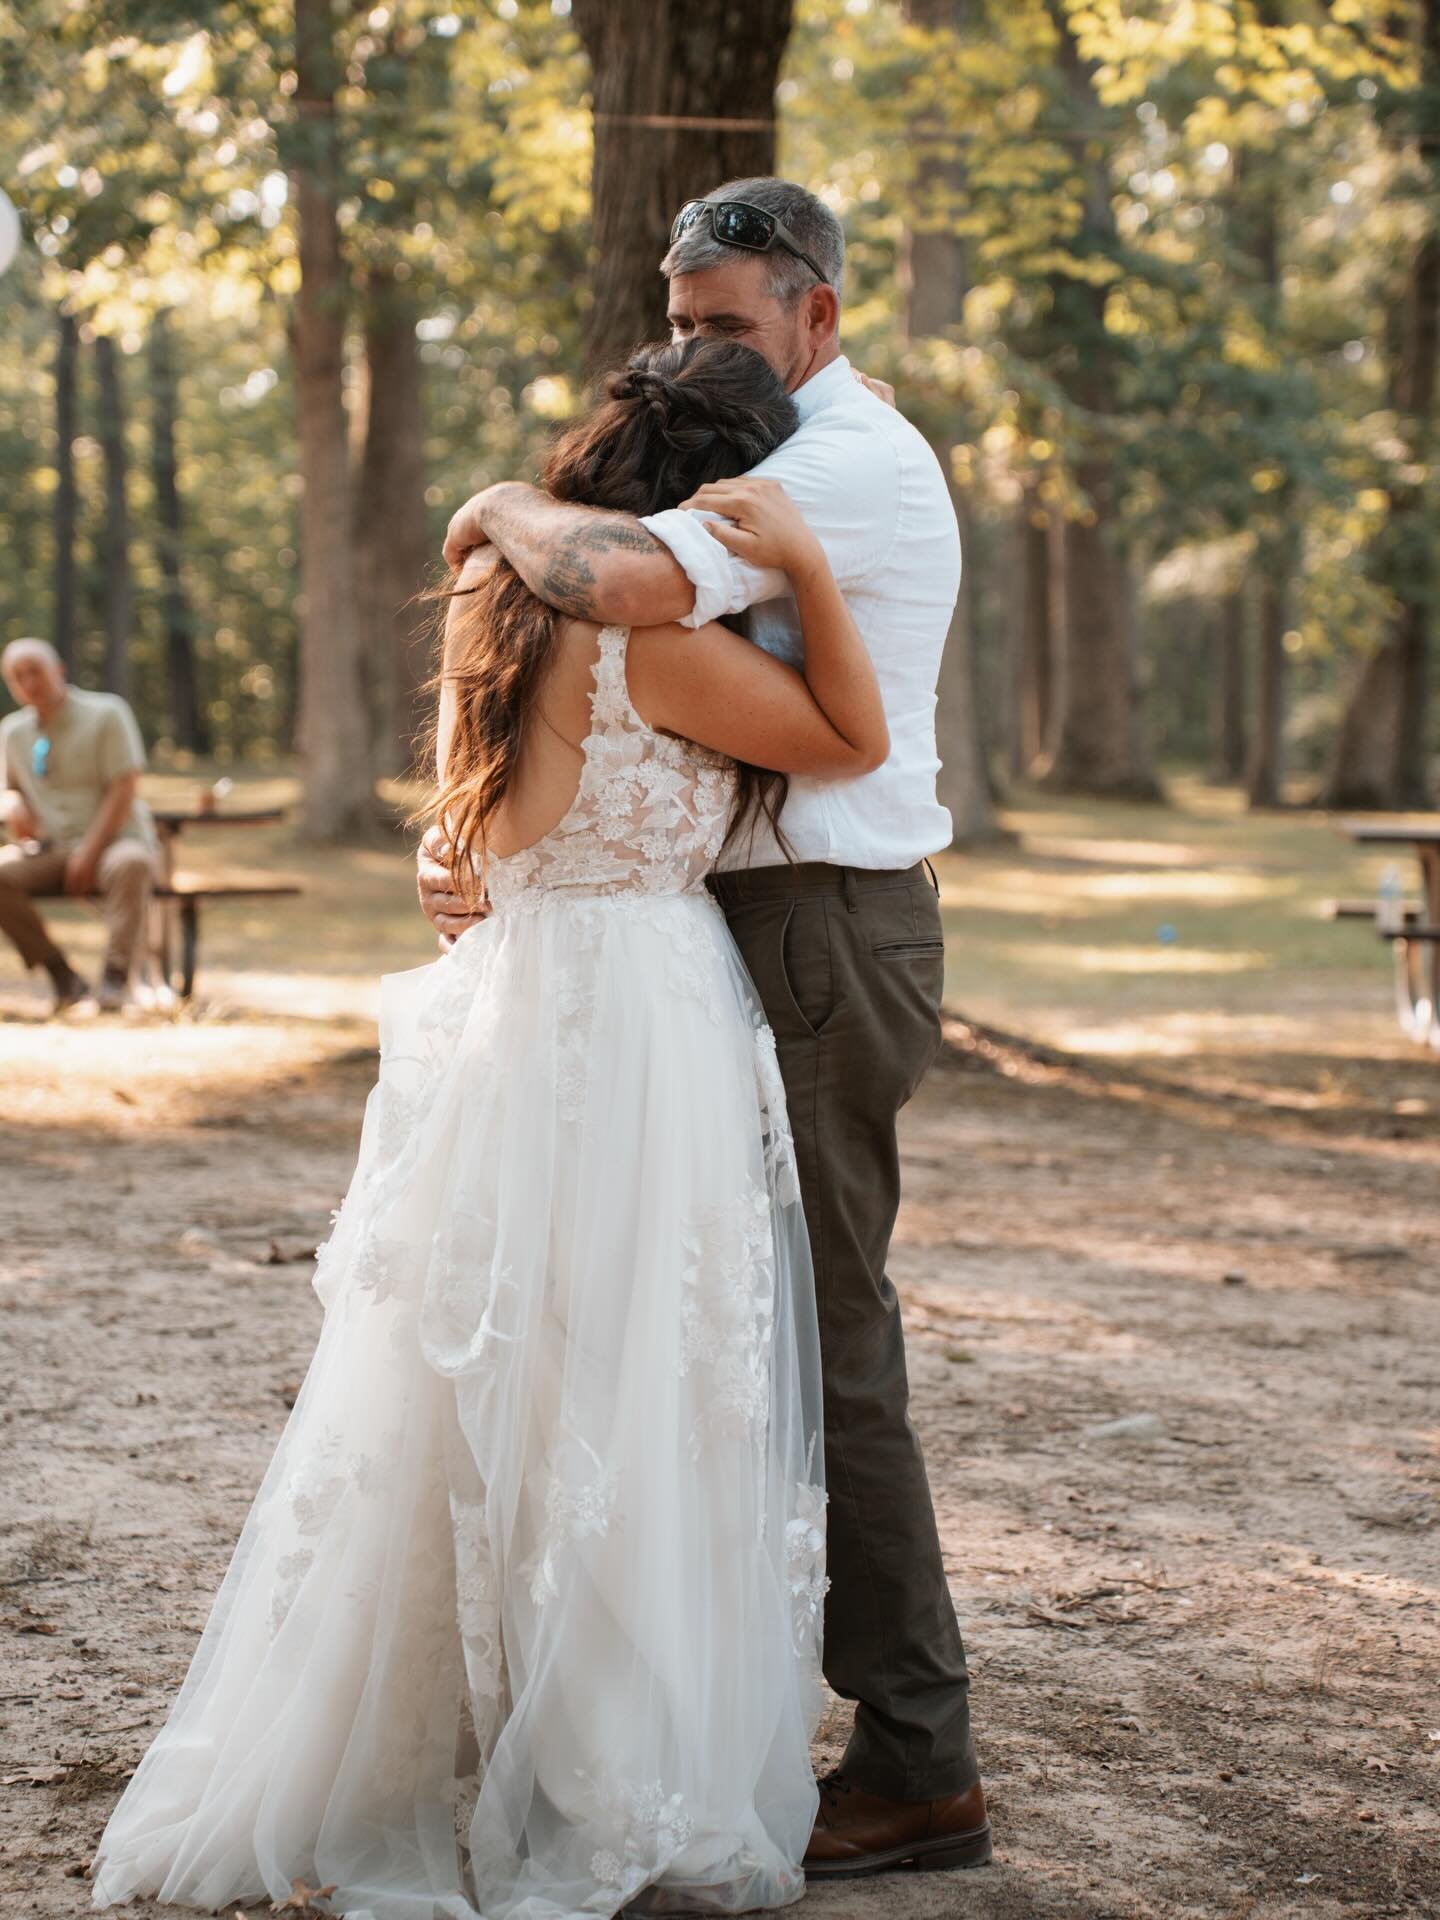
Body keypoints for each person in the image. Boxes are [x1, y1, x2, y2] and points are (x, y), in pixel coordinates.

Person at [90, 337, 895, 1920]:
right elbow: (851, 739)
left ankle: (441, 1747)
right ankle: (595, 1761)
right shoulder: (653, 641)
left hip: (515, 995)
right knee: (631, 1392)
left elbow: (469, 804)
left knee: (487, 1385)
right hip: (641, 1017)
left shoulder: (491, 599)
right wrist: (805, 565)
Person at [421, 176, 989, 1880]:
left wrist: (493, 497)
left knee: (824, 1341)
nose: (697, 357)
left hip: (817, 931)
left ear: (820, 314)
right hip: (712, 926)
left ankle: (918, 1754)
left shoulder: (830, 465)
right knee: (707, 1348)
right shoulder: (776, 439)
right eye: (680, 325)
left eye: (730, 326)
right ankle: (685, 1709)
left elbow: (618, 585)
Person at [0, 638, 160, 1013]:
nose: (28, 683)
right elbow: (7, 789)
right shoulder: (12, 732)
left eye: (35, 671)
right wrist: (13, 803)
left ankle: (115, 980)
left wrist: (89, 852)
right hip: (51, 847)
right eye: (17, 677)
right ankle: (62, 975)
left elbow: (124, 788)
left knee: (132, 863)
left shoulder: (106, 713)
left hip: (116, 840)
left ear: (59, 670)